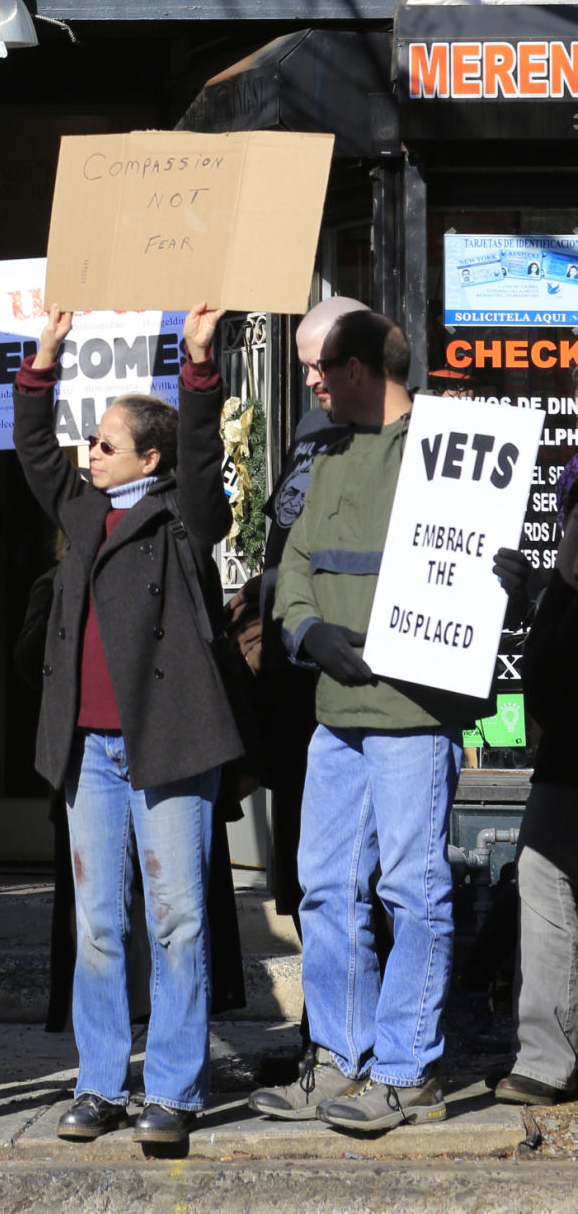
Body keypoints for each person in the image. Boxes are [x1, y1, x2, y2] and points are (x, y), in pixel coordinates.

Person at [12, 301, 243, 1148]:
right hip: (90, 752)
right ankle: (101, 1082)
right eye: (91, 440)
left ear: (150, 457)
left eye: (107, 444)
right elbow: (35, 451)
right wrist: (43, 356)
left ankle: (174, 1090)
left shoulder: (183, 516)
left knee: (177, 919)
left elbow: (203, 460)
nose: (91, 453)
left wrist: (198, 364)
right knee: (98, 923)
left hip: (169, 746)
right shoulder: (84, 510)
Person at [252, 311, 479, 1134]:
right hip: (337, 714)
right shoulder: (330, 454)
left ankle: (408, 1070)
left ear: (358, 367)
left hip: (414, 710)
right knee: (325, 887)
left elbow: (474, 559)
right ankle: (342, 1059)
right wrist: (308, 630)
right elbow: (296, 564)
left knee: (412, 890)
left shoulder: (447, 448)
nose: (311, 380)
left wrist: (503, 581)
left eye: (322, 368)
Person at [228, 298, 366, 929]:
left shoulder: (395, 435)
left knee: (353, 869)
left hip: (344, 675)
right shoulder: (312, 427)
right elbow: (288, 533)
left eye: (319, 366)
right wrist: (260, 593)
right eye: (304, 366)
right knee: (304, 866)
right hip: (290, 677)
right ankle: (320, 987)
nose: (310, 380)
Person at [494, 481, 578, 1105]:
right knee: (543, 878)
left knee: (546, 880)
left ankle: (548, 1058)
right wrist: (532, 598)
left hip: (566, 754)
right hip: (566, 757)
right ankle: (546, 1057)